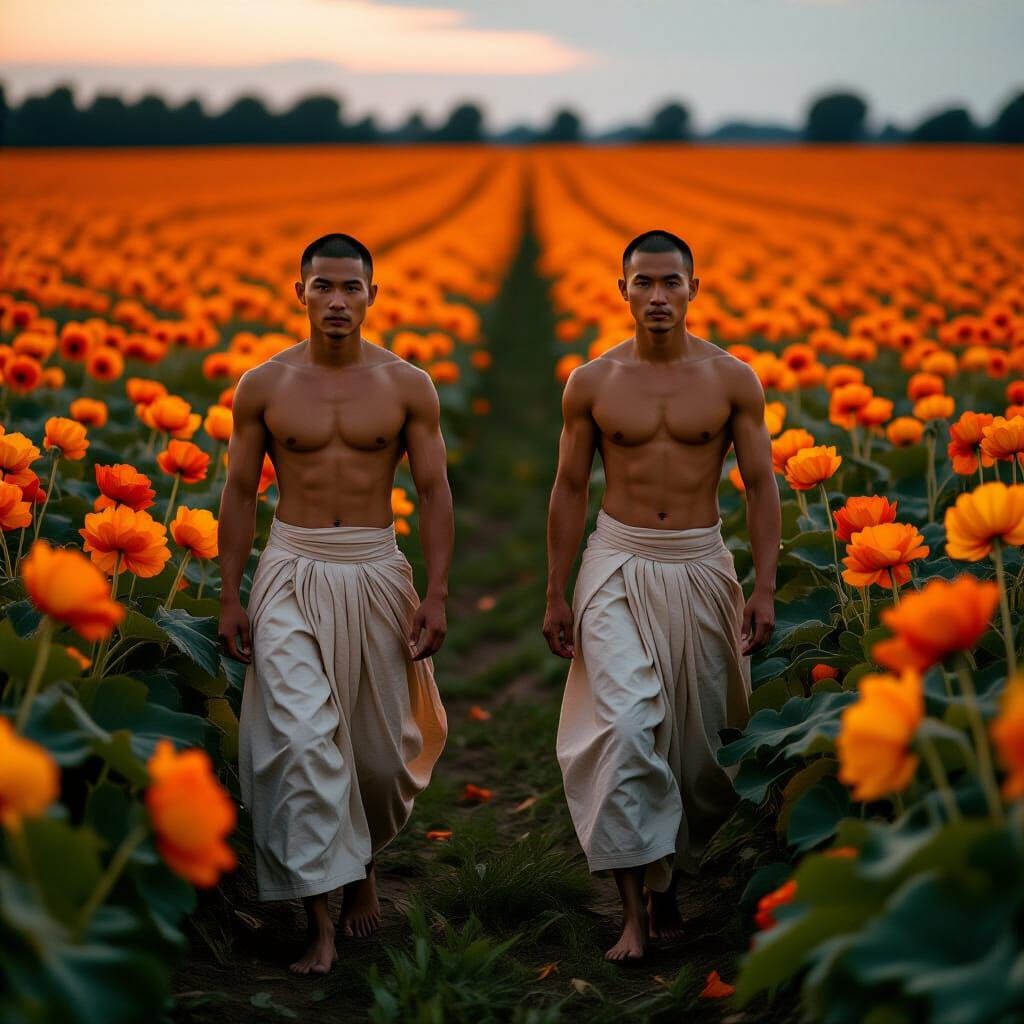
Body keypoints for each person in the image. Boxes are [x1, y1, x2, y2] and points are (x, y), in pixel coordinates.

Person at [542, 229, 780, 963]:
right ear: (621, 290)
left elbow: (761, 484)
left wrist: (764, 584)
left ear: (693, 288)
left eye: (670, 282)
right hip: (617, 560)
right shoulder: (592, 382)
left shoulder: (732, 378)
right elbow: (571, 488)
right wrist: (557, 592)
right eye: (642, 282)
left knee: (691, 741)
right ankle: (633, 913)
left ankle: (667, 879)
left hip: (701, 563)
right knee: (626, 722)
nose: (656, 296)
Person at [218, 232, 452, 976]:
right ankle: (318, 919)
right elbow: (236, 491)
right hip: (292, 569)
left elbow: (435, 491)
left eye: (352, 288)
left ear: (373, 296)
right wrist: (232, 594)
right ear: (300, 293)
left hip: (377, 571)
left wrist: (437, 591)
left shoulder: (408, 384)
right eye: (323, 287)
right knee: (302, 742)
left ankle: (364, 863)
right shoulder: (264, 384)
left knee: (379, 760)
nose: (338, 301)